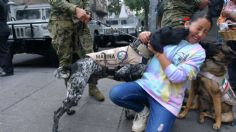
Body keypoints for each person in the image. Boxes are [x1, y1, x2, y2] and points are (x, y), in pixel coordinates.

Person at [109, 11, 212, 132]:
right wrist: (145, 36)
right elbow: (146, 49)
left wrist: (158, 53)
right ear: (187, 24)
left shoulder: (199, 53)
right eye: (199, 28)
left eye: (205, 32)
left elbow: (177, 77)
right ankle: (142, 110)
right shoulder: (170, 35)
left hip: (167, 100)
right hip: (146, 86)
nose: (200, 34)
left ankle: (161, 115)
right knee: (115, 94)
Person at [48, 0, 104, 101]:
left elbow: (86, 1)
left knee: (90, 58)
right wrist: (75, 9)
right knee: (65, 62)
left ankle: (93, 88)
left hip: (81, 25)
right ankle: (71, 93)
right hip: (62, 25)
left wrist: (87, 12)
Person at [217, 0, 236, 92]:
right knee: (231, 61)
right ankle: (233, 85)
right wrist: (223, 23)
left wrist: (231, 14)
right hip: (230, 37)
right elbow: (220, 20)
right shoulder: (228, 3)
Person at [0, 0, 13, 77]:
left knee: (3, 51)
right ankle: (6, 69)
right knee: (3, 50)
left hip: (1, 29)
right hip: (3, 28)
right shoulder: (4, 3)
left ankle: (8, 70)